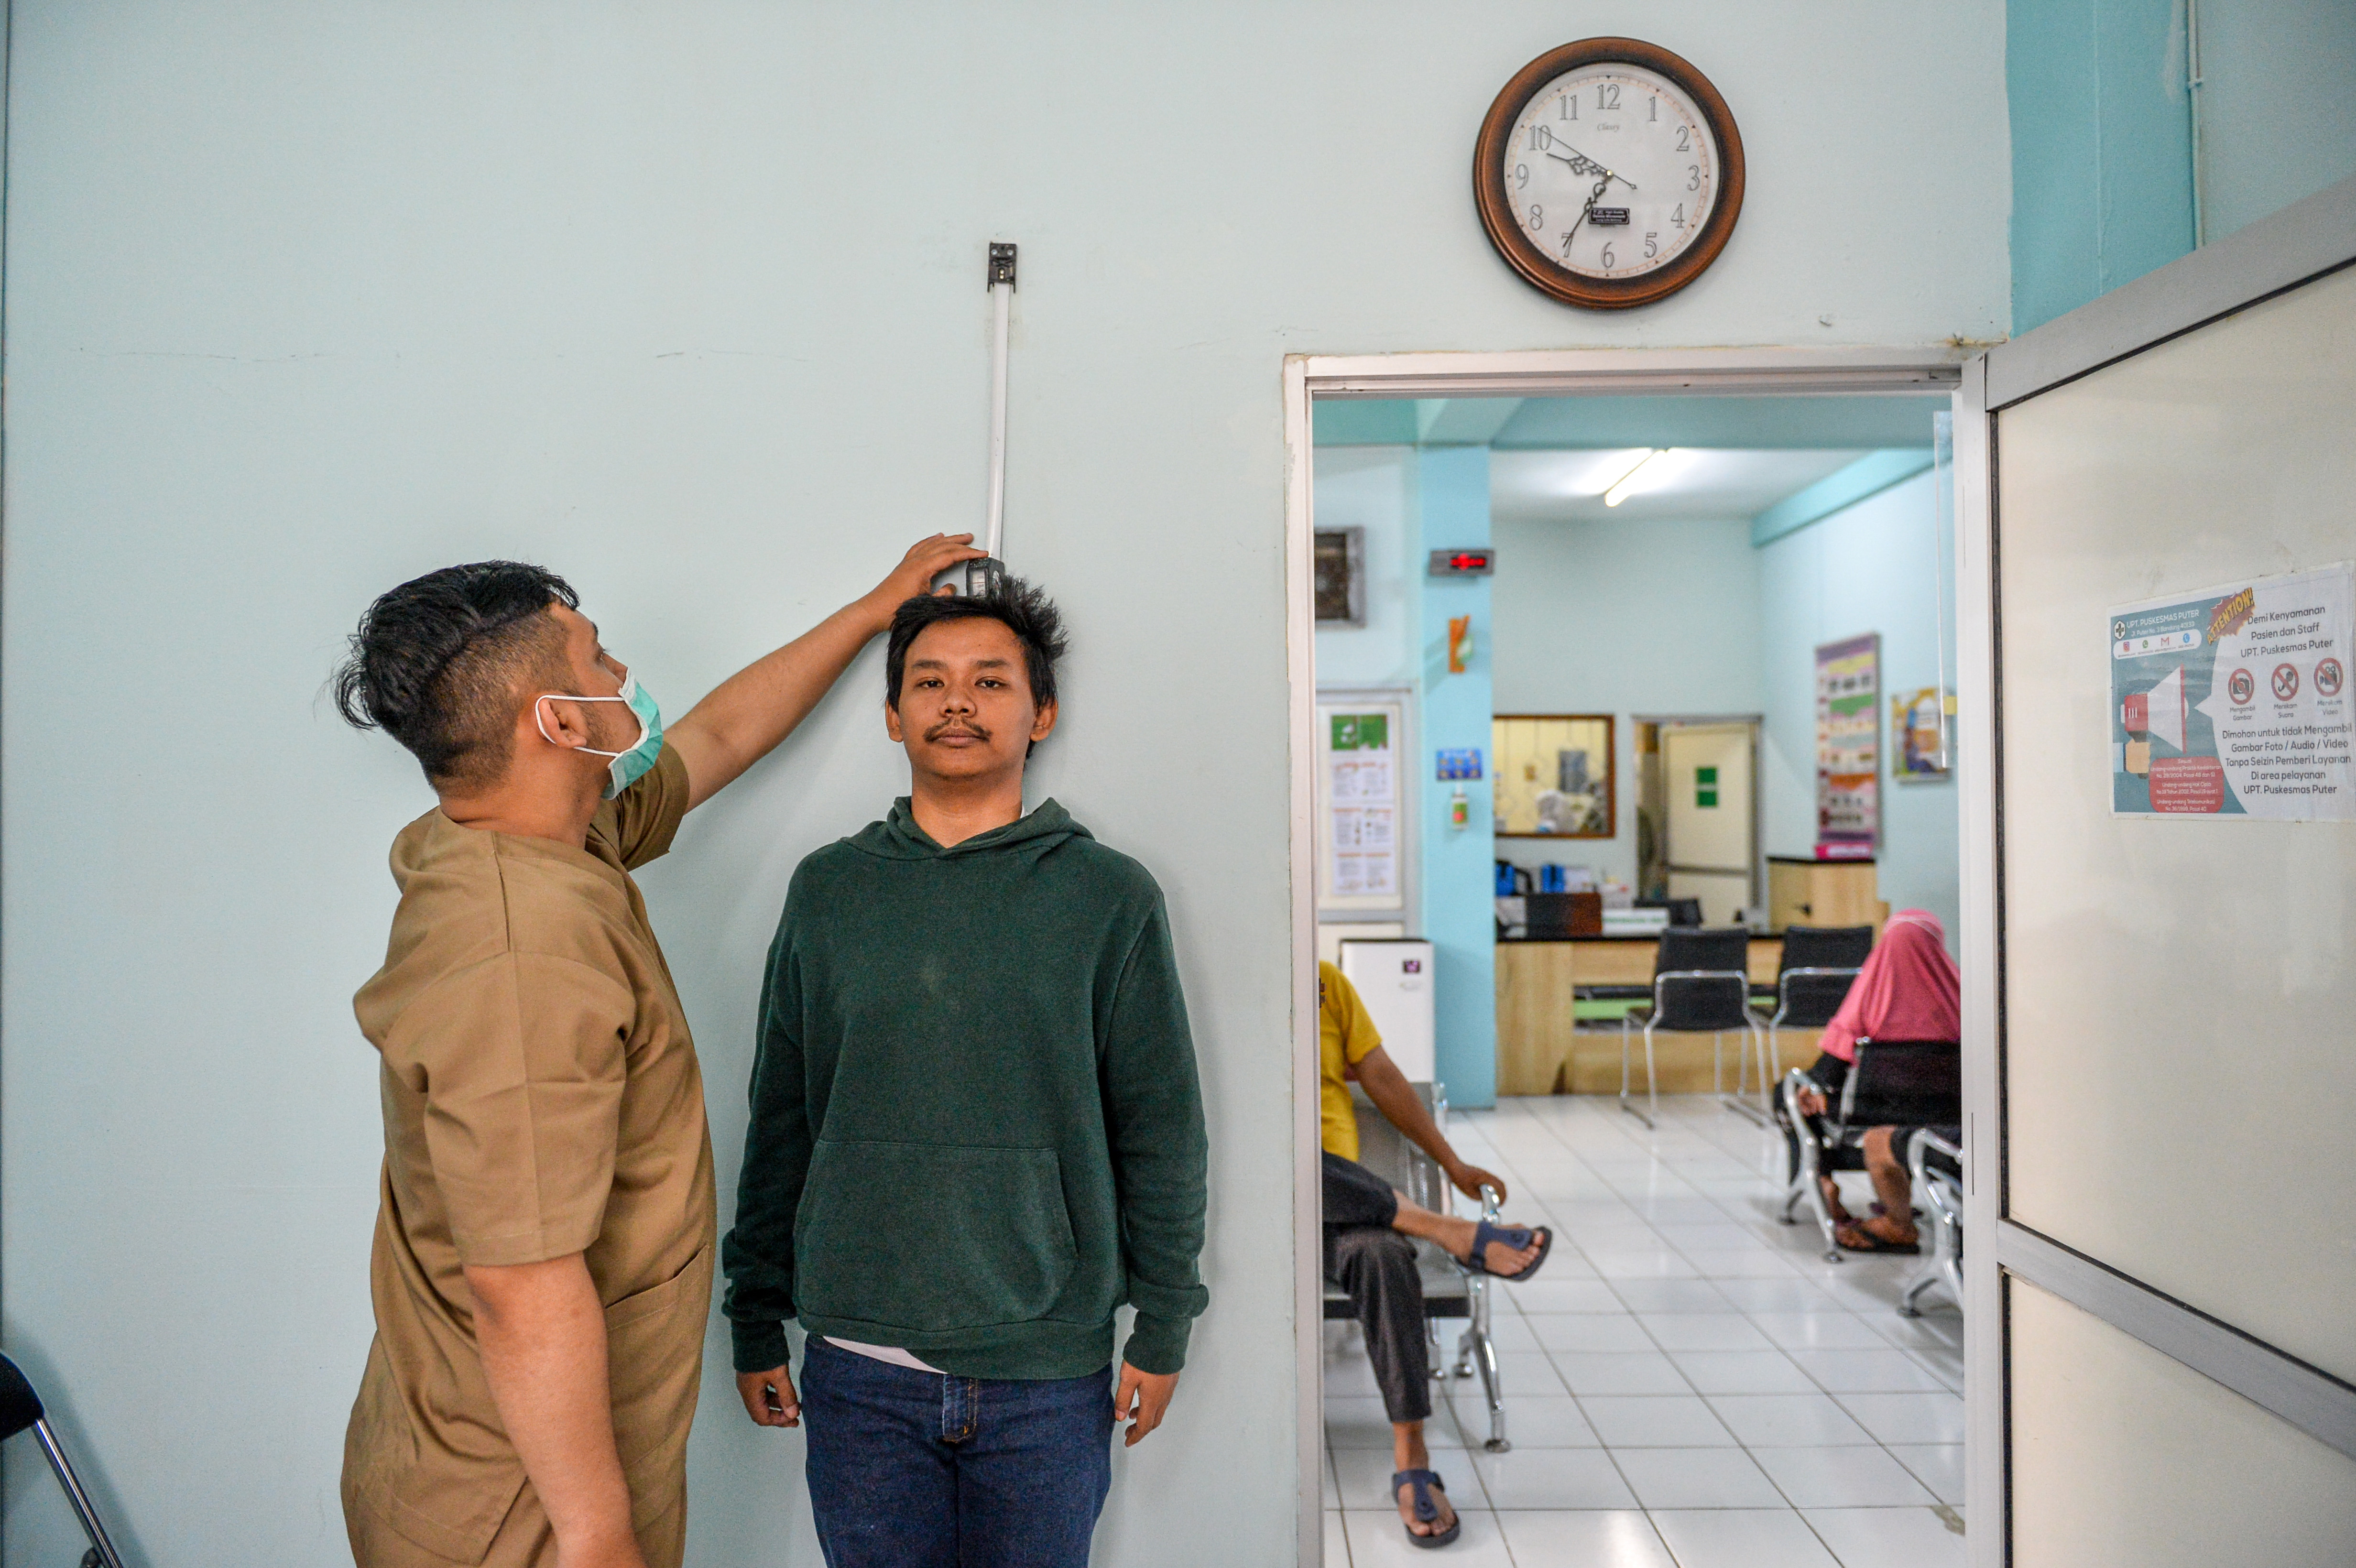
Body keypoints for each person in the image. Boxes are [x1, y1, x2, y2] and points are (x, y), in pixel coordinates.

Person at [333, 534, 982, 1568]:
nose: (620, 675)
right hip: (514, 1509)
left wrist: (872, 611)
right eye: (594, 658)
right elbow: (520, 1281)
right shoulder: (517, 953)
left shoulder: (535, 833)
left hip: (500, 1459)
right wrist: (597, 1537)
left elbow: (719, 734)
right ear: (555, 721)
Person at [721, 578, 1208, 1568]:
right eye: (929, 680)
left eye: (990, 680)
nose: (957, 701)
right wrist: (752, 1309)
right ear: (892, 712)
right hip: (857, 1367)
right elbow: (779, 1115)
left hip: (1047, 1371)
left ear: (1042, 711)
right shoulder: (828, 890)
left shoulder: (1107, 896)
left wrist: (1162, 1324)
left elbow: (1160, 1128)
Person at [1319, 960, 1551, 1548]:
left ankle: (1410, 1452)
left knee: (1383, 1257)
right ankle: (1446, 1230)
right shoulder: (1218, 992)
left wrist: (1451, 1162)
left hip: (1349, 1208)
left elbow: (1380, 1075)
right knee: (1278, 1151)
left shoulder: (1322, 982)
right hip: (1259, 1215)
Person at [1787, 909, 1962, 1254]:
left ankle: (1821, 1180)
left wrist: (1818, 1086)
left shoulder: (1868, 998)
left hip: (1862, 1130)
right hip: (1944, 1125)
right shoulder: (1964, 1002)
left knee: (1793, 1092)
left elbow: (1830, 1070)